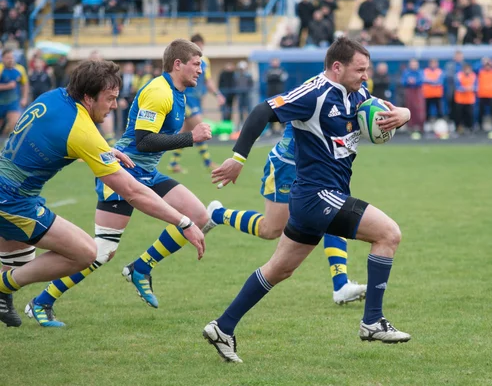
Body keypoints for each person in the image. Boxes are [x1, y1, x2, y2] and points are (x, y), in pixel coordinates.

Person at [202, 37, 411, 363]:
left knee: (278, 270)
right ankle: (372, 321)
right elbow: (261, 111)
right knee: (388, 234)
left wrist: (405, 114)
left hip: (316, 199)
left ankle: (223, 326)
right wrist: (237, 159)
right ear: (337, 67)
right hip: (316, 195)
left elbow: (386, 109)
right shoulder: (313, 93)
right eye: (360, 69)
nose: (364, 76)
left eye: (366, 70)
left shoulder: (357, 94)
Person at [0, 59, 205, 327]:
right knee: (87, 252)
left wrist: (102, 150)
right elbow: (132, 191)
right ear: (88, 97)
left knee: (19, 258)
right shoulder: (81, 129)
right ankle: (5, 287)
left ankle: (8, 296)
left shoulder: (54, 97)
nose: (115, 105)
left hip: (11, 191)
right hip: (13, 202)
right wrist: (183, 221)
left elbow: (52, 136)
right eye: (110, 99)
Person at [169, 34, 225, 174]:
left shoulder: (205, 61)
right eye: (195, 45)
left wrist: (217, 94)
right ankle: (207, 162)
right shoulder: (184, 61)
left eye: (200, 45)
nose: (199, 47)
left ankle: (174, 162)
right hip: (186, 99)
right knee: (200, 126)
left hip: (197, 100)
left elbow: (208, 81)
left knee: (185, 132)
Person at [0, 49, 28, 136]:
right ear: (3, 58)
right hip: (1, 102)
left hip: (13, 102)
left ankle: (7, 144)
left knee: (14, 123)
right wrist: (7, 86)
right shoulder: (0, 68)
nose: (10, 60)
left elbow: (25, 84)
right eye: (8, 58)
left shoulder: (20, 69)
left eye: (12, 57)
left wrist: (24, 98)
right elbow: (9, 85)